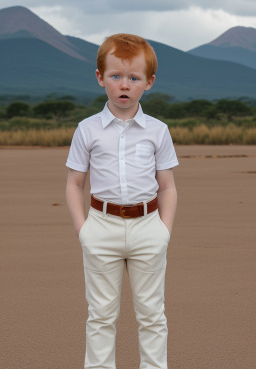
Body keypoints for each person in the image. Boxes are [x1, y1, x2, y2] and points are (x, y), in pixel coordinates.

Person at [65, 33, 179, 369]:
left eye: (133, 77)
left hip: (148, 227)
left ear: (149, 82)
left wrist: (164, 231)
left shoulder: (158, 131)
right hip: (101, 226)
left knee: (152, 315)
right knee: (100, 316)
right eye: (115, 76)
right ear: (100, 78)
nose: (124, 85)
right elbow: (74, 184)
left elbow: (168, 187)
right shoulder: (87, 130)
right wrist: (83, 230)